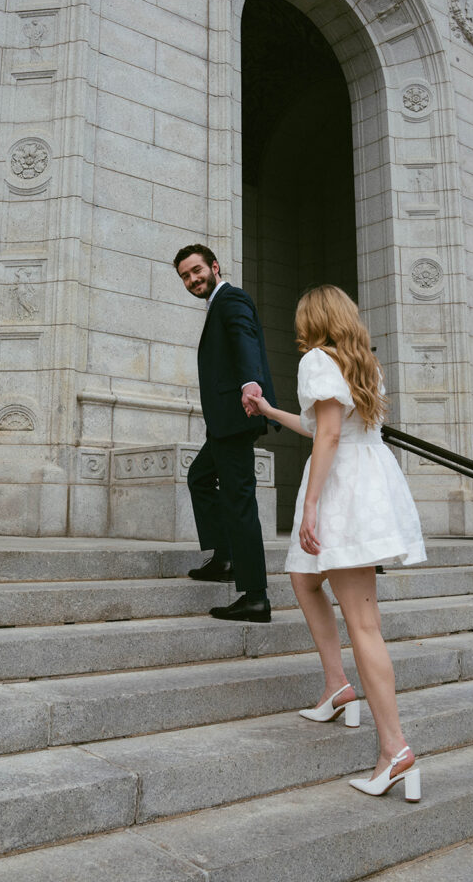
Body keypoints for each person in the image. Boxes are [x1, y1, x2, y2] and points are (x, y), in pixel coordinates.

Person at [246, 285, 426, 801]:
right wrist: (268, 410)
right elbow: (319, 427)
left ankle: (394, 749)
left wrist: (309, 505)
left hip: (343, 489)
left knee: (364, 624)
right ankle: (337, 686)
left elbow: (328, 436)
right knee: (303, 576)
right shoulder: (362, 363)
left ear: (314, 319)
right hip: (366, 479)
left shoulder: (317, 361)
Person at [173, 243, 278, 623]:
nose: (192, 279)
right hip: (225, 423)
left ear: (214, 267)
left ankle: (255, 596)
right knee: (200, 477)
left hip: (236, 418)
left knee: (239, 502)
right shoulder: (216, 304)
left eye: (197, 270)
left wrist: (251, 384)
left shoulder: (231, 299)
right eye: (185, 276)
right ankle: (225, 557)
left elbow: (244, 338)